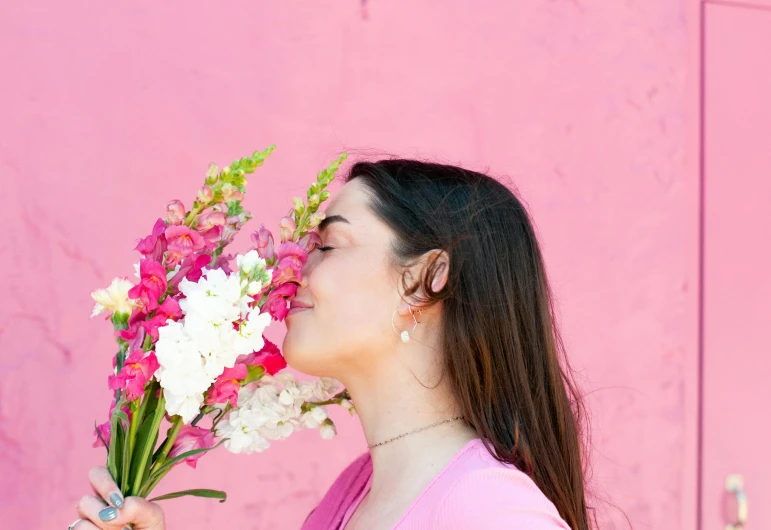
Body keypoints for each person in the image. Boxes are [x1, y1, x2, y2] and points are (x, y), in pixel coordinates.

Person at [72, 159, 593, 530]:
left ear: (427, 278)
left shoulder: (491, 511)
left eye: (326, 245)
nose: (294, 267)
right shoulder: (355, 493)